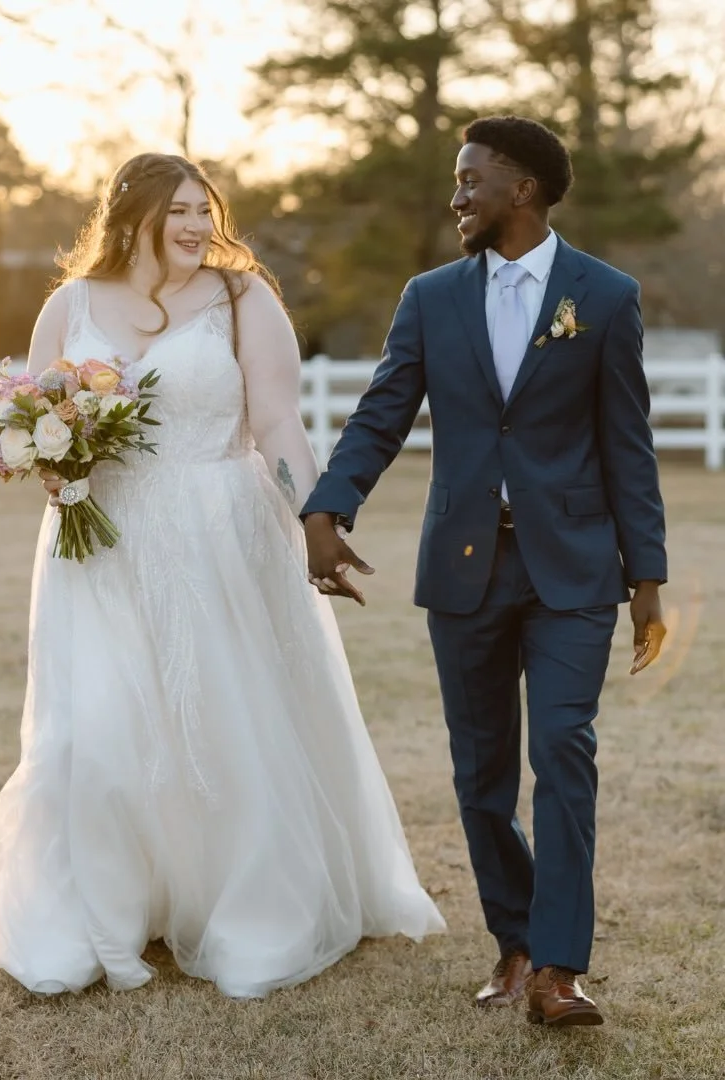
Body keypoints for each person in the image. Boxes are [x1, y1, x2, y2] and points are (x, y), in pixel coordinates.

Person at [0, 152, 445, 999]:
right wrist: (55, 464)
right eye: (180, 211)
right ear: (133, 217)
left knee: (222, 718)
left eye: (206, 209)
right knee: (103, 728)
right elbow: (38, 405)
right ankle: (111, 907)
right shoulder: (69, 305)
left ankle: (246, 908)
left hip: (219, 533)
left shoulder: (242, 298)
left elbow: (275, 420)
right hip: (101, 542)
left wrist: (319, 521)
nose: (199, 226)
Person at [302, 116, 668, 1027]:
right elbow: (382, 414)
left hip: (576, 571)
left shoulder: (606, 295)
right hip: (465, 569)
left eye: (471, 178)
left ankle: (558, 969)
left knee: (563, 751)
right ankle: (512, 944)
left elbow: (630, 445)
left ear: (525, 190)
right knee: (483, 776)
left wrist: (647, 578)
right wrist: (325, 508)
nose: (456, 194)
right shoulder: (429, 297)